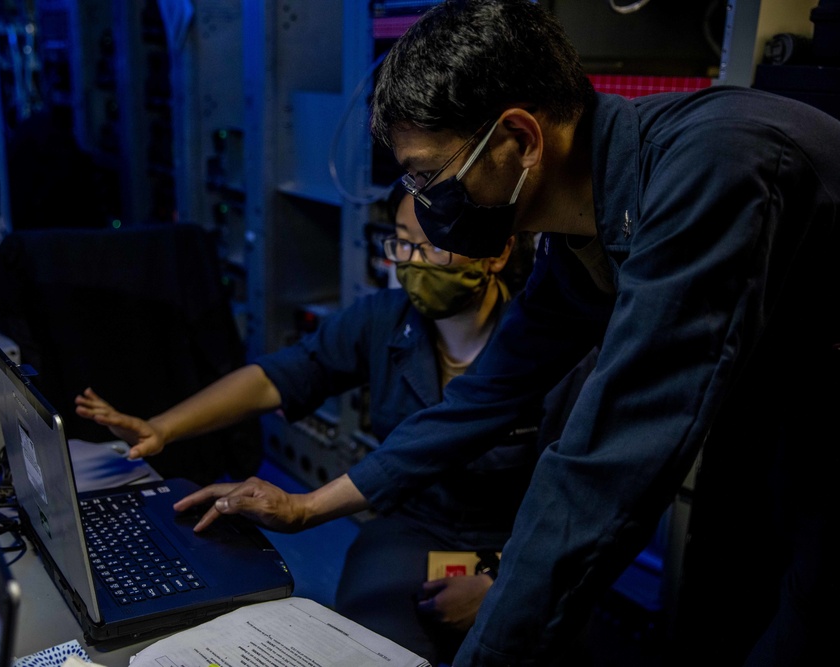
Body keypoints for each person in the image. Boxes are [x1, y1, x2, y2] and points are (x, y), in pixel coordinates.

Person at [173, 1, 840, 665]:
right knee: (734, 608)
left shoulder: (708, 169)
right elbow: (484, 397)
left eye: (429, 176)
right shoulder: (586, 221)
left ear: (519, 139)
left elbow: (602, 471)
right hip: (784, 416)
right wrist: (306, 507)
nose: (424, 209)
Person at [75, 189, 537, 664]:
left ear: (498, 251)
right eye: (401, 243)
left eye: (435, 245)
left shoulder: (546, 342)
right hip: (412, 525)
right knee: (365, 647)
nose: (413, 263)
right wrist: (162, 427)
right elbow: (281, 376)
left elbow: (580, 497)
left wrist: (498, 582)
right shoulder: (383, 319)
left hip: (521, 540)